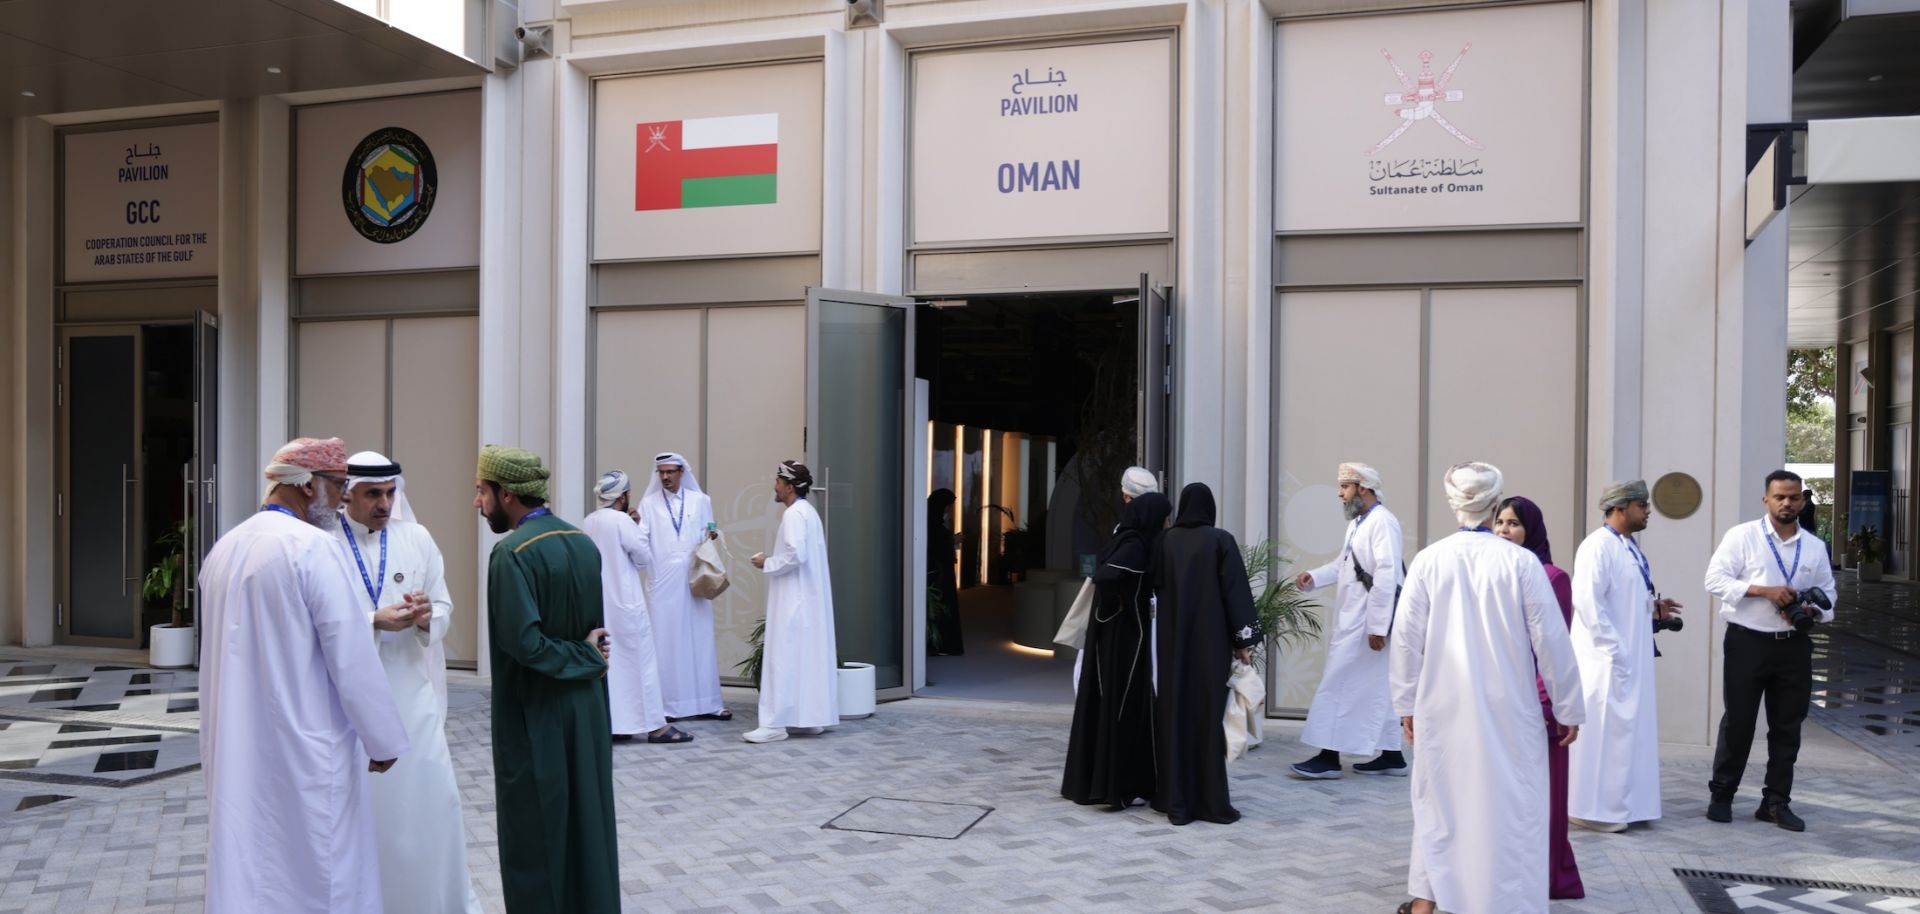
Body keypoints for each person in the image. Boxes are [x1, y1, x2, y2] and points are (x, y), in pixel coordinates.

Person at [198, 438, 409, 914]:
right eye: (337, 486)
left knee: (247, 861)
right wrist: (383, 740)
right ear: (309, 485)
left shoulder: (225, 546)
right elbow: (349, 654)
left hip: (235, 739)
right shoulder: (312, 548)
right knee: (320, 866)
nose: (339, 500)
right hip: (307, 740)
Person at [1390, 462, 1584, 914]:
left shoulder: (1428, 559)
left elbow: (1406, 640)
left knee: (1440, 802)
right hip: (1509, 711)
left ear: (1453, 503)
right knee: (1512, 806)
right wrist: (1568, 706)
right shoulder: (1521, 563)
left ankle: (1429, 900)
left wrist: (1405, 702)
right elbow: (1552, 641)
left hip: (1441, 706)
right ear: (1494, 504)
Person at [333, 451, 482, 914]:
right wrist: (370, 620)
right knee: (361, 816)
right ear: (346, 495)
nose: (384, 503)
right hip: (344, 707)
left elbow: (444, 606)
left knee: (429, 805)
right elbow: (310, 620)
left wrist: (423, 619)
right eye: (373, 494)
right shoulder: (323, 542)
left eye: (390, 492)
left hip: (411, 699)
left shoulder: (416, 537)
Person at [474, 445, 620, 913]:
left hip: (535, 718)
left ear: (507, 494)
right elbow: (594, 636)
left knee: (536, 840)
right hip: (589, 715)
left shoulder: (511, 553)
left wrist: (585, 654)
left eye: (481, 491)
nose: (477, 503)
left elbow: (527, 645)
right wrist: (592, 655)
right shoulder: (581, 542)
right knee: (587, 831)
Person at [1703, 469, 1836, 832]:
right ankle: (1722, 795)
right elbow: (1714, 579)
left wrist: (1813, 611)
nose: (1787, 503)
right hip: (1748, 641)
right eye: (1779, 497)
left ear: (1803, 500)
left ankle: (1775, 802)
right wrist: (1765, 591)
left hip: (1793, 646)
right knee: (1739, 723)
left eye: (1794, 497)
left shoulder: (1814, 546)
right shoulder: (1742, 536)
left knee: (1787, 727)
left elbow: (1830, 594)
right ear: (1766, 499)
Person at [1567, 480, 1680, 832]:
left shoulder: (1627, 548)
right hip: (1606, 662)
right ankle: (1593, 811)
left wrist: (1652, 608)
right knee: (1604, 734)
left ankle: (1628, 806)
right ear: (1620, 507)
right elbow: (1588, 603)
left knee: (1630, 733)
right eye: (1642, 506)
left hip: (1631, 658)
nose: (1648, 512)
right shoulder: (1596, 547)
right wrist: (1614, 651)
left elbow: (1623, 597)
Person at [1149, 482, 1262, 826]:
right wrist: (1243, 641)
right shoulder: (1219, 541)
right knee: (1206, 718)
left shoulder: (1164, 541)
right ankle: (1209, 802)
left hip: (1169, 646)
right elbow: (1235, 594)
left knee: (1174, 715)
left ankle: (1174, 800)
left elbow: (1152, 589)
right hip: (1209, 647)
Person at [1492, 495, 1585, 900]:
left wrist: (1552, 707)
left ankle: (1545, 875)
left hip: (1537, 705)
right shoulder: (1491, 574)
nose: (1503, 530)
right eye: (1499, 522)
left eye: (1513, 523)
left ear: (1532, 530)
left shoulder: (1552, 576)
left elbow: (1554, 647)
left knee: (1541, 799)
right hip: (1497, 703)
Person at [1291, 462, 1406, 779]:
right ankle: (1393, 755)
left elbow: (1386, 575)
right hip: (1358, 619)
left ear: (1363, 489)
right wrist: (1313, 577)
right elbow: (1344, 565)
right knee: (1375, 686)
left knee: (1337, 684)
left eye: (1345, 487)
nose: (1340, 494)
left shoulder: (1382, 523)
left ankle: (1328, 757)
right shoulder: (1359, 523)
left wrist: (1378, 627)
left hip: (1367, 622)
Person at [1062, 490, 1174, 809]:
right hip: (1127, 639)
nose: (1167, 523)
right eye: (1164, 517)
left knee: (1117, 706)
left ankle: (1117, 784)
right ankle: (1118, 786)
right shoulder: (1136, 545)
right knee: (1125, 708)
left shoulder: (1125, 539)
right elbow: (1107, 576)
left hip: (1114, 637)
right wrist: (1125, 603)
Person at [582, 470, 689, 744]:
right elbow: (643, 558)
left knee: (611, 667)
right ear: (623, 496)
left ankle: (617, 724)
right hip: (626, 604)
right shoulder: (622, 522)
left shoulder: (588, 521)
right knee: (640, 665)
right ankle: (655, 726)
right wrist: (635, 525)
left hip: (600, 606)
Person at [746, 461, 840, 743]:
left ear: (788, 486)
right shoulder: (807, 512)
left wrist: (766, 562)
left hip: (793, 600)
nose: (774, 486)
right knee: (804, 657)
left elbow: (795, 555)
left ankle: (774, 725)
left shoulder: (794, 515)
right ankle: (808, 718)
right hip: (805, 600)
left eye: (777, 481)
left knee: (782, 657)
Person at [641, 452, 729, 721]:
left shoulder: (701, 501)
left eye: (670, 472)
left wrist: (712, 534)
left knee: (699, 639)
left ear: (682, 472)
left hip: (694, 580)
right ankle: (668, 707)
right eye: (661, 473)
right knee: (666, 642)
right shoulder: (649, 504)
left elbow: (709, 531)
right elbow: (641, 541)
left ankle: (709, 703)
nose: (665, 477)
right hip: (663, 582)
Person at [927, 488, 963, 656]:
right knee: (942, 604)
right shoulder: (933, 523)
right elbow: (936, 545)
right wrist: (952, 540)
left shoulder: (932, 521)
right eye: (948, 506)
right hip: (938, 572)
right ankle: (941, 644)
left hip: (939, 570)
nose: (949, 509)